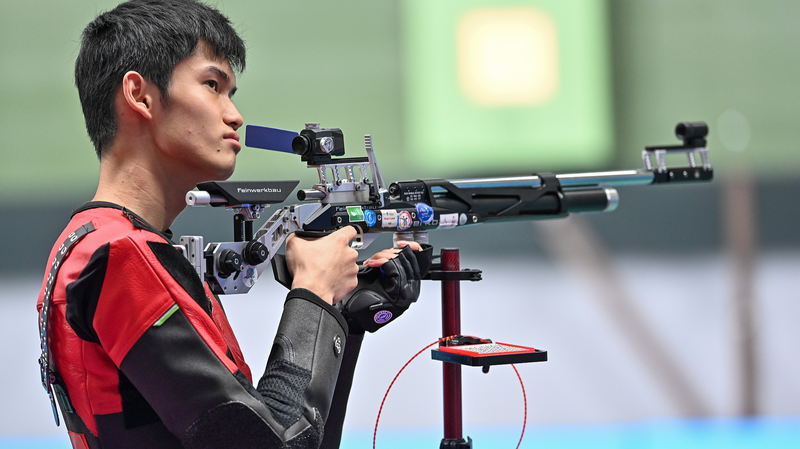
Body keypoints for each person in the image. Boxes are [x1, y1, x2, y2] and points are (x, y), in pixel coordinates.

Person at [35, 1, 427, 448]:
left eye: (231, 93)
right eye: (211, 85)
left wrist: (340, 313)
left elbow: (288, 435)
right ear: (140, 95)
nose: (234, 114)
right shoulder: (123, 256)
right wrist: (313, 290)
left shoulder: (92, 243)